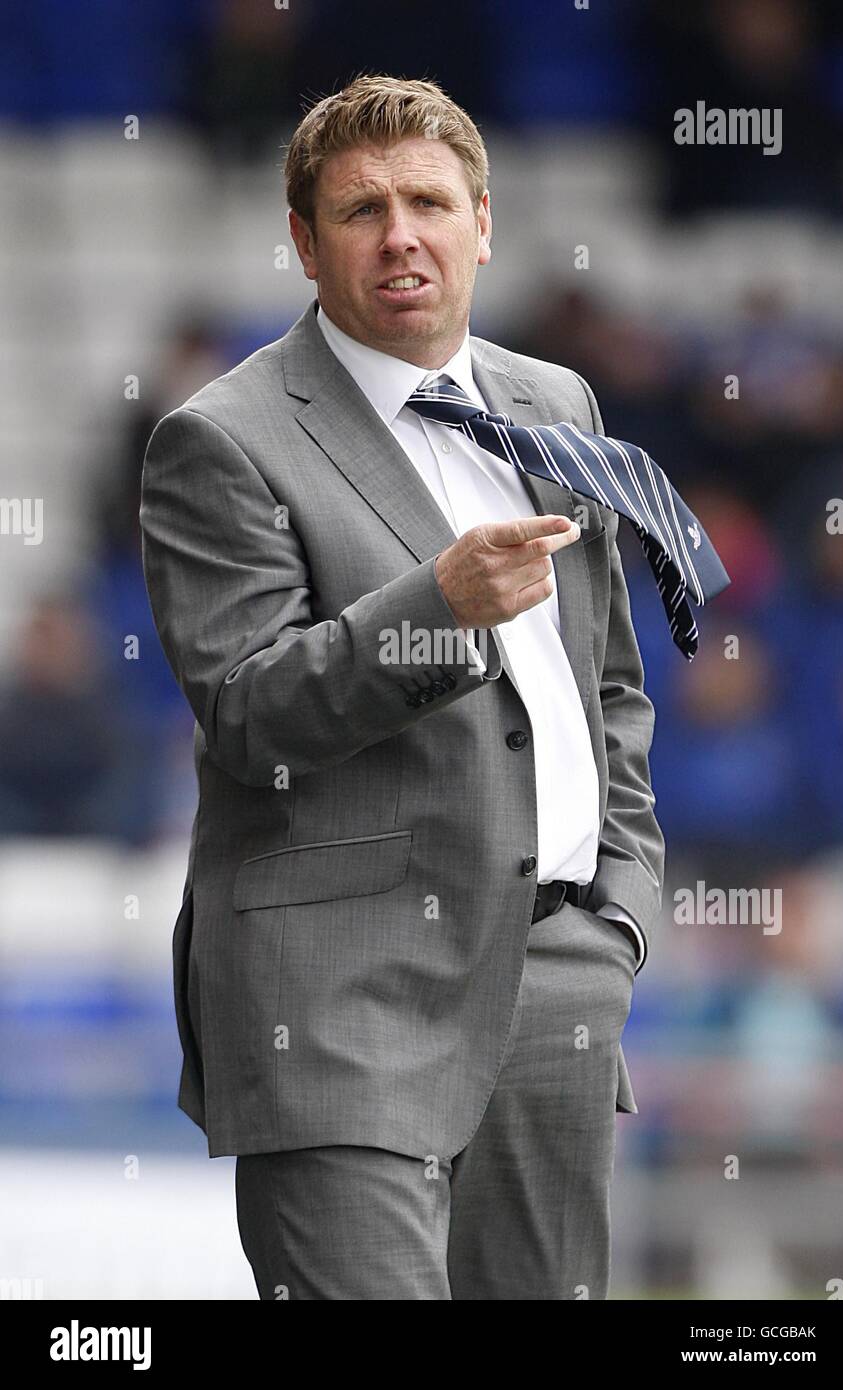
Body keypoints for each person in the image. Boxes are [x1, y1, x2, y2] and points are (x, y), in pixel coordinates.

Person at [140, 74, 665, 1300]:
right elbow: (249, 712)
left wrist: (617, 914)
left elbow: (611, 691)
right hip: (336, 1000)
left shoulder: (555, 403)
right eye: (360, 210)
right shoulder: (219, 438)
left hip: (555, 983)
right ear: (304, 245)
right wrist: (437, 608)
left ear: (484, 220)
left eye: (428, 201)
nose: (400, 236)